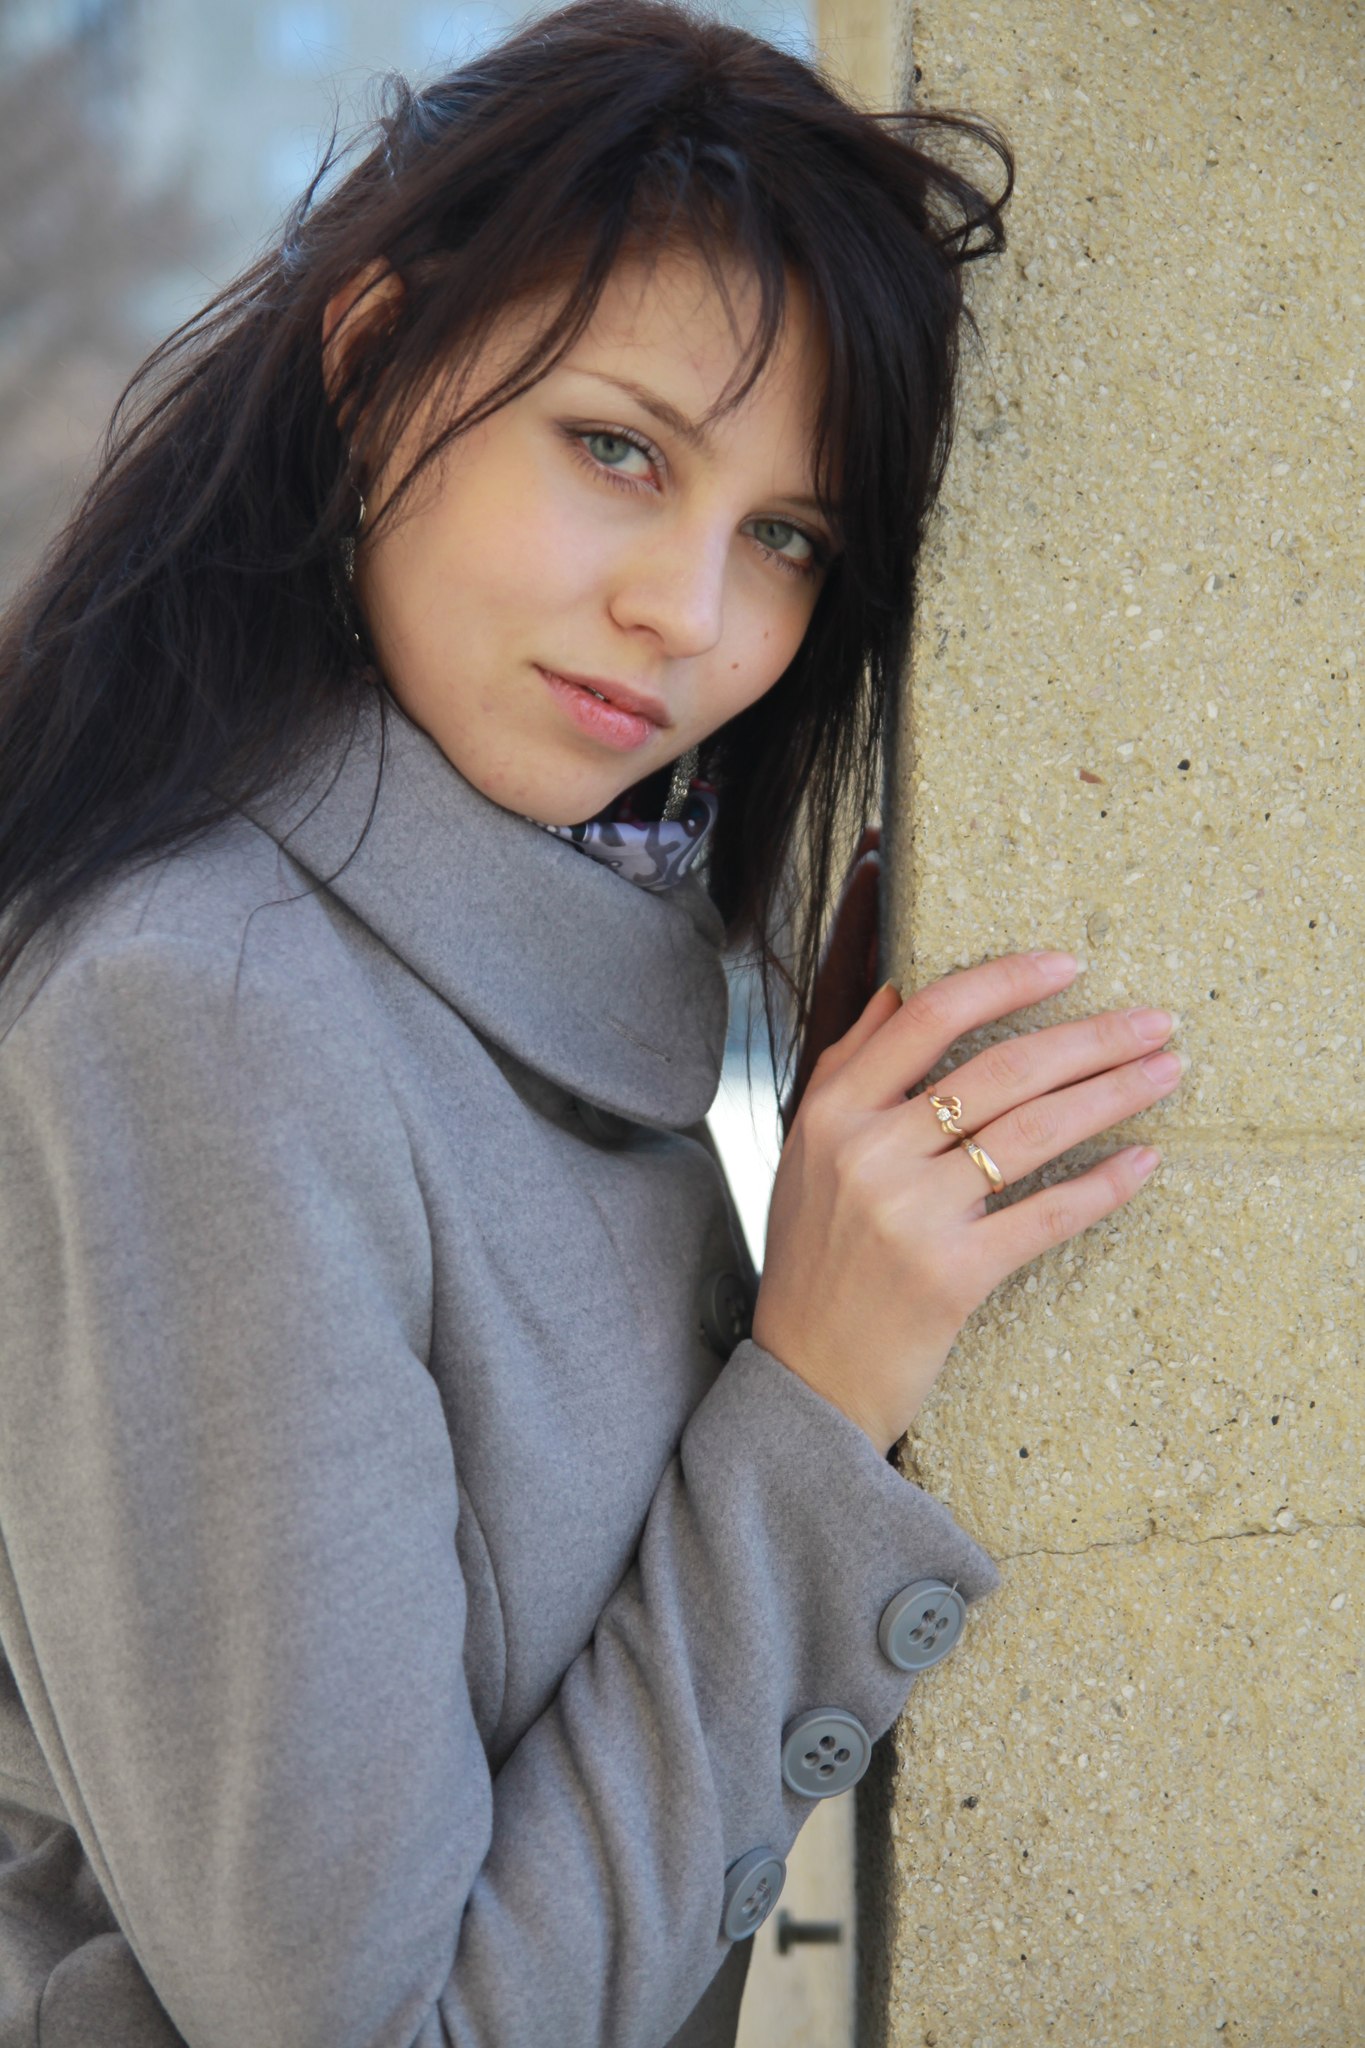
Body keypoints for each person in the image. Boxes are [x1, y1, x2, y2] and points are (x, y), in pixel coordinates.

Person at [0, 2, 1185, 2042]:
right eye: (617, 449)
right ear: (374, 364)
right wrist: (809, 1395)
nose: (688, 612)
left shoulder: (560, 977)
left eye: (786, 537)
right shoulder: (198, 1014)